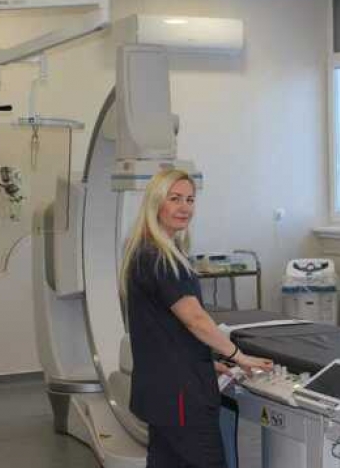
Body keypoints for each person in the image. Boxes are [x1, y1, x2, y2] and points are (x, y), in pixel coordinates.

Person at [121, 168, 273, 468]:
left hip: (160, 389)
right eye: (175, 198)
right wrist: (239, 356)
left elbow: (163, 327)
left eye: (190, 200)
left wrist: (204, 361)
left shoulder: (146, 250)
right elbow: (195, 319)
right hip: (180, 394)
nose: (184, 207)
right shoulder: (161, 258)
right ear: (156, 202)